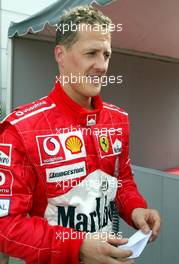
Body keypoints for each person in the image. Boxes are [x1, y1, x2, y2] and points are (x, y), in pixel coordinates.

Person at [0, 5, 160, 264]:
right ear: (60, 55)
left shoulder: (118, 119)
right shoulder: (21, 129)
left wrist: (136, 209)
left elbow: (122, 183)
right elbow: (6, 226)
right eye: (91, 53)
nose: (102, 66)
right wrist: (77, 247)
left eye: (106, 54)